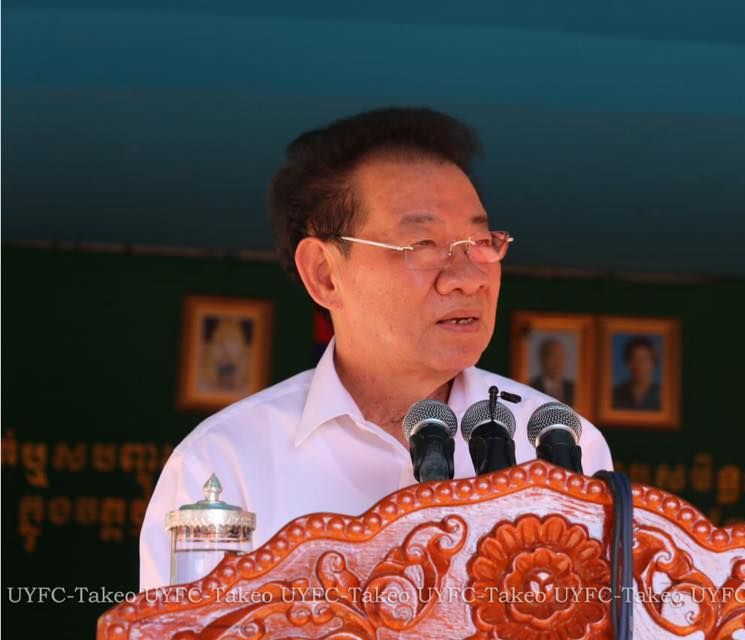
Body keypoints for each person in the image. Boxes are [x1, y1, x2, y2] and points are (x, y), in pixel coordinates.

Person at [139, 108, 613, 590]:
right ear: (325, 274)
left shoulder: (557, 444)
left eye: (480, 241)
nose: (468, 278)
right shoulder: (226, 463)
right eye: (423, 243)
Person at [612, 336, 661, 410]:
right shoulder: (615, 394)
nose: (638, 365)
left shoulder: (662, 395)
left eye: (643, 360)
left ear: (653, 363)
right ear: (628, 364)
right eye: (634, 359)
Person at [529, 337, 575, 405]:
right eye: (553, 356)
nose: (557, 362)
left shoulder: (573, 389)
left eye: (561, 356)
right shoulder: (531, 387)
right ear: (542, 359)